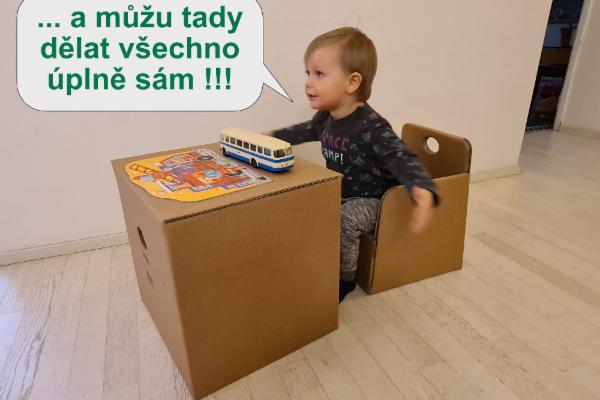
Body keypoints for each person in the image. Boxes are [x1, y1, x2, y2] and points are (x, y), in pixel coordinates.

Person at [266, 27, 438, 302]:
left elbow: (401, 157)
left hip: (376, 200)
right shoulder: (326, 118)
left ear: (352, 82)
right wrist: (273, 137)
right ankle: (315, 258)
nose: (308, 82)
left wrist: (421, 188)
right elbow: (304, 131)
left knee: (345, 220)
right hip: (343, 192)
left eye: (319, 74)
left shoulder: (372, 127)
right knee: (310, 201)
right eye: (308, 73)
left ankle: (345, 279)